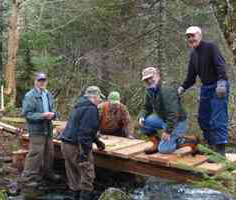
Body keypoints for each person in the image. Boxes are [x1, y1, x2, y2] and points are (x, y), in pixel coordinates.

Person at [178, 26, 229, 156]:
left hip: (219, 85)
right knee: (203, 118)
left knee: (219, 117)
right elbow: (191, 77)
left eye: (192, 36)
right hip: (206, 87)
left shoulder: (211, 47)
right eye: (188, 37)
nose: (190, 39)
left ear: (199, 35)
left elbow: (220, 64)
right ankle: (212, 146)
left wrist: (222, 82)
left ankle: (221, 150)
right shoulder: (193, 55)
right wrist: (182, 88)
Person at [60, 86, 105, 200]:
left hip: (66, 144)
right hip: (77, 146)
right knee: (87, 175)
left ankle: (75, 196)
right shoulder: (91, 109)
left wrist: (97, 141)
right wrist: (84, 154)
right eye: (99, 97)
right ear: (94, 97)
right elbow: (85, 133)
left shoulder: (78, 106)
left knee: (74, 174)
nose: (100, 100)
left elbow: (83, 127)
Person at [21, 72, 60, 187]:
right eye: (40, 80)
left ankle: (47, 173)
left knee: (49, 152)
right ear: (35, 82)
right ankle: (27, 178)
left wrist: (54, 114)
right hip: (37, 129)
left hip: (48, 128)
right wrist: (42, 115)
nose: (42, 82)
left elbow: (52, 109)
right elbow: (27, 114)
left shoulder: (47, 94)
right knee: (35, 153)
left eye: (44, 80)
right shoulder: (30, 96)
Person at [139, 66, 188, 154]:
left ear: (157, 76)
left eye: (151, 77)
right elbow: (146, 107)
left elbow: (173, 114)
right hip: (163, 119)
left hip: (178, 122)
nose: (149, 80)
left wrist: (167, 131)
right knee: (144, 123)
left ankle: (183, 141)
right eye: (146, 79)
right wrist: (142, 116)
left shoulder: (166, 90)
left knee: (164, 150)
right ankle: (156, 143)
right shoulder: (150, 90)